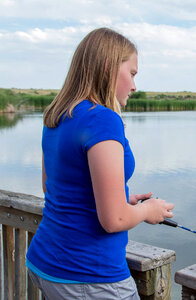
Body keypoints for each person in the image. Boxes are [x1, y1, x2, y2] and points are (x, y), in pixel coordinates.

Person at [26, 27, 174, 299]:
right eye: (131, 73)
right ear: (108, 67)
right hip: (89, 277)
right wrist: (147, 210)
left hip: (45, 263)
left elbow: (53, 187)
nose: (134, 85)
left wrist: (121, 197)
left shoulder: (58, 115)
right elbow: (114, 220)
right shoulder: (102, 119)